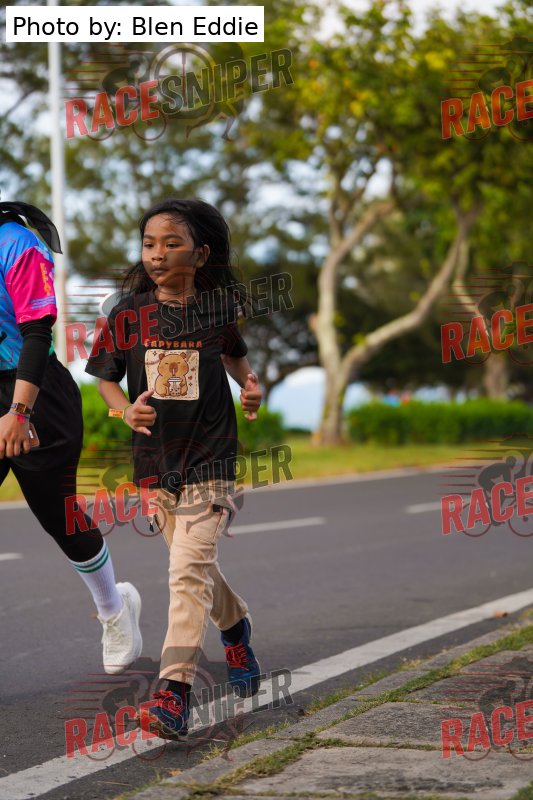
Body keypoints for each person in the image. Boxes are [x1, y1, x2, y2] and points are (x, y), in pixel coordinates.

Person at [85, 198, 262, 740]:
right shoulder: (127, 314)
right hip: (155, 463)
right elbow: (106, 378)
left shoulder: (217, 309)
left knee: (185, 572)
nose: (157, 254)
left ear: (200, 253)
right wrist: (124, 411)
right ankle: (236, 627)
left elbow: (234, 356)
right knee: (195, 568)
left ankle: (173, 694)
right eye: (149, 244)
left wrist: (249, 386)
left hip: (211, 457)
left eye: (171, 243)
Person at [0, 201, 142, 675]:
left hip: (33, 390)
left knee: (58, 515)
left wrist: (18, 411)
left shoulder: (17, 244)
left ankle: (114, 610)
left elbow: (37, 333)